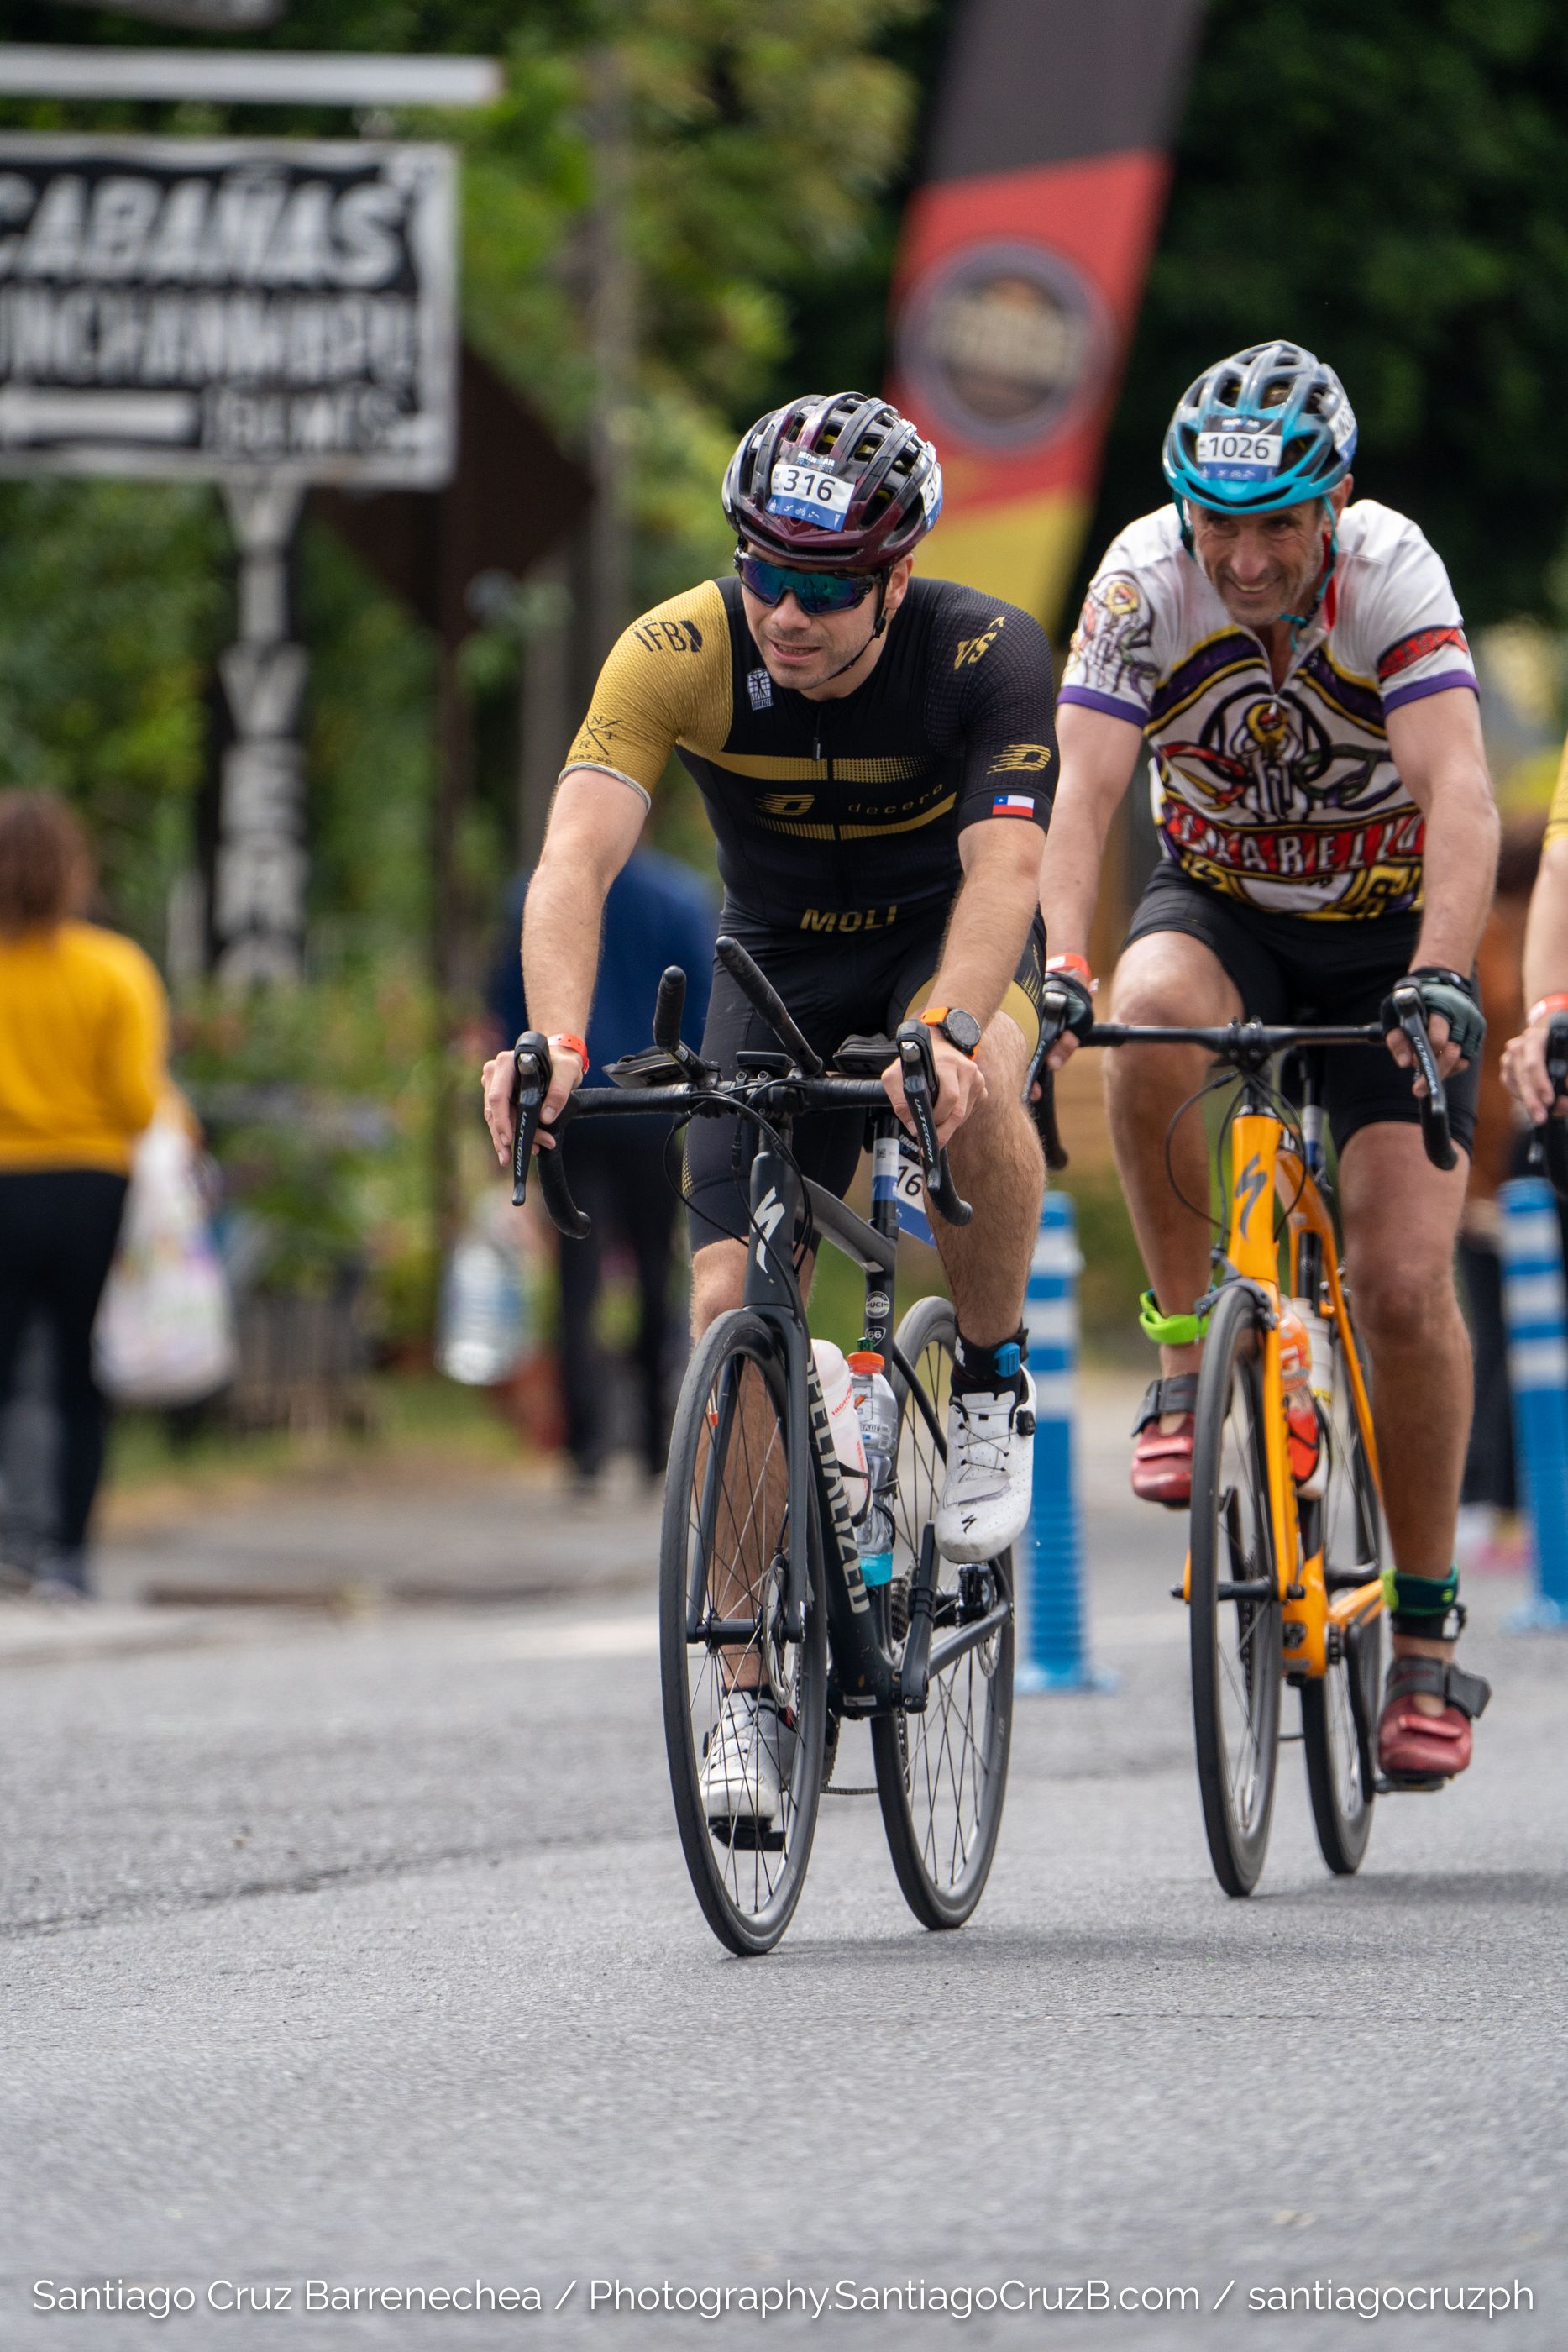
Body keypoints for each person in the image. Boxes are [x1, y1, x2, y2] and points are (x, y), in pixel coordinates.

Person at [483, 389, 1056, 1822]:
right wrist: (551, 1037)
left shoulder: (982, 653)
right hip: (776, 963)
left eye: (821, 588)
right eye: (761, 574)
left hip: (941, 949)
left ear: (894, 579)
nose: (784, 613)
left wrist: (948, 1031)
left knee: (980, 1088)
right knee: (722, 1301)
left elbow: (1004, 876)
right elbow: (574, 859)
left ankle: (990, 1382)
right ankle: (748, 1690)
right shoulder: (675, 649)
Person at [1039, 341, 1498, 1787]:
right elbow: (1081, 791)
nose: (1241, 560)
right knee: (1144, 1014)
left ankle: (1419, 1637)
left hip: (1385, 941)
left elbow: (1458, 791)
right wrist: (1057, 964)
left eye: (1276, 527)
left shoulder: (1392, 573)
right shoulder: (1139, 581)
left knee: (1402, 1284)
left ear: (1332, 505)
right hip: (1224, 907)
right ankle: (1186, 1360)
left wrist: (1439, 972)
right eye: (1216, 525)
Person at [490, 847, 715, 1490]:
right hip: (652, 1113)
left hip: (570, 1112)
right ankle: (653, 1440)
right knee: (655, 1276)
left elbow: (507, 1001)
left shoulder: (534, 896)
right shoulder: (679, 898)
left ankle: (584, 1447)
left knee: (577, 1282)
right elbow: (704, 1000)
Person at [0, 790, 167, 1595]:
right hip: (90, 1184)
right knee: (76, 1369)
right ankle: (68, 1554)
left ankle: (10, 1539)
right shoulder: (115, 969)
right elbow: (137, 1103)